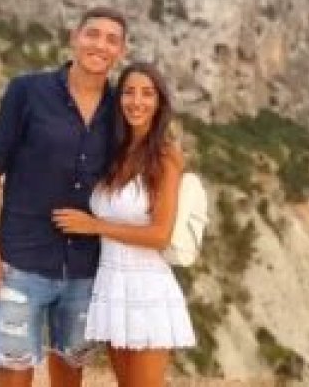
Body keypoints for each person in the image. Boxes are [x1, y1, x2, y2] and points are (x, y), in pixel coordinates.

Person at [0, 7, 127, 387]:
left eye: (112, 40)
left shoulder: (120, 109)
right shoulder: (27, 91)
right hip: (22, 259)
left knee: (71, 368)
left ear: (121, 52)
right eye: (93, 34)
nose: (100, 45)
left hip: (86, 266)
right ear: (75, 38)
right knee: (14, 367)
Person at [52, 62, 196, 387]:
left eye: (147, 93)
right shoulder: (114, 153)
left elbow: (160, 235)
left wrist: (95, 226)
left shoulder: (165, 156)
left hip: (147, 287)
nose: (137, 101)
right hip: (112, 284)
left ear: (159, 102)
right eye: (129, 92)